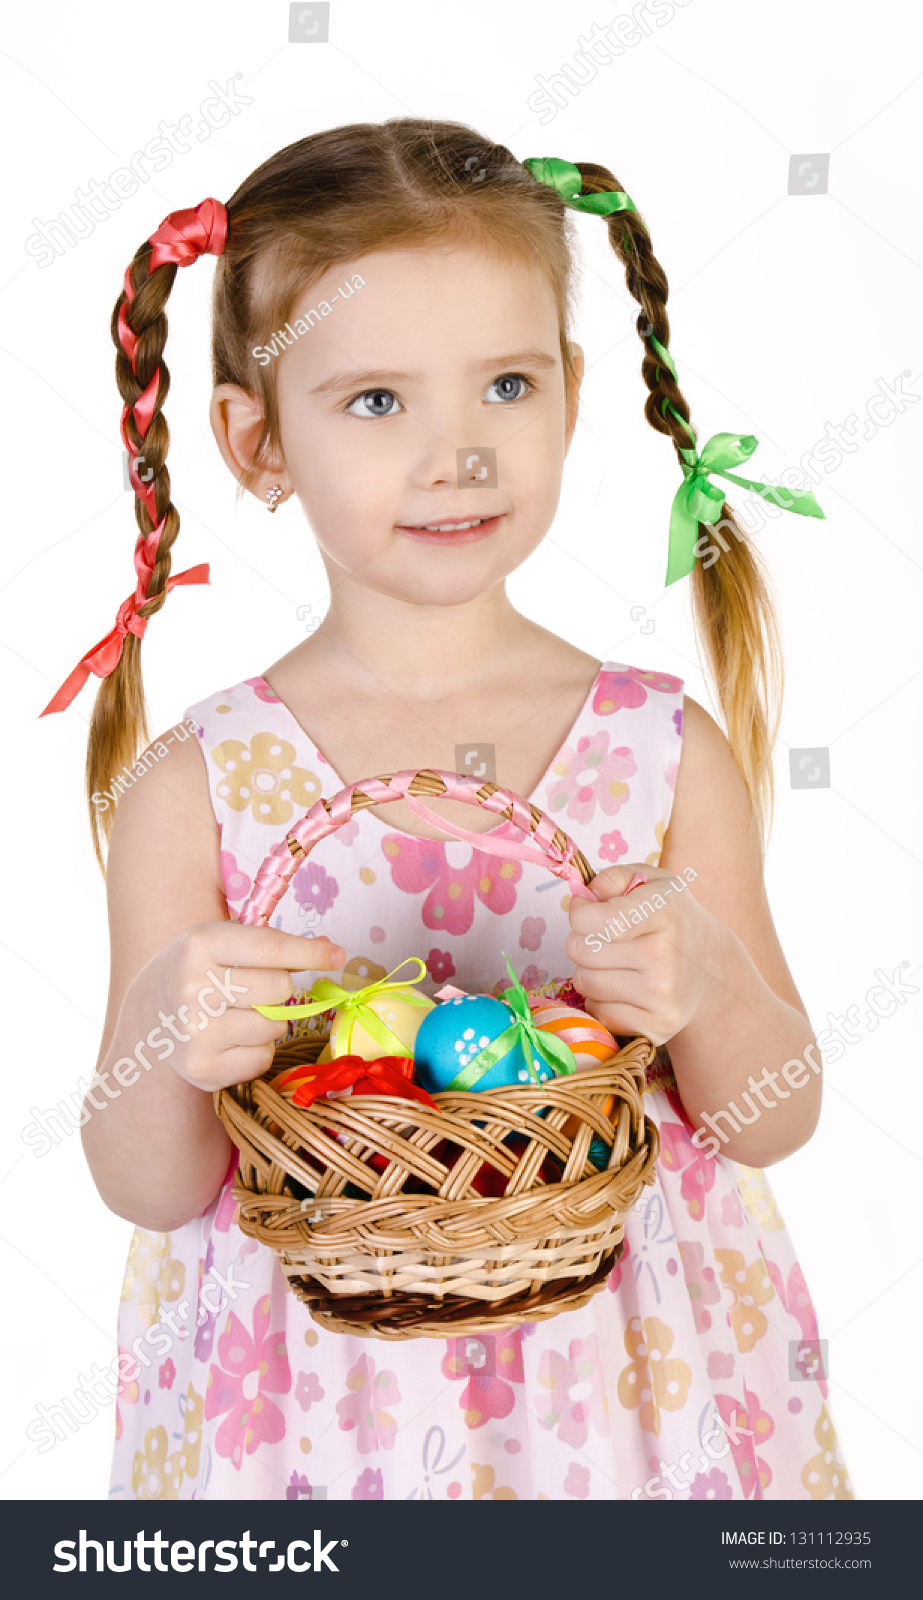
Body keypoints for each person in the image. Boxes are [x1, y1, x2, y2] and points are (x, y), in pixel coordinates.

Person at [45, 119, 852, 1501]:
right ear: (257, 441)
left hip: (622, 1389)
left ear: (575, 393)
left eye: (506, 386)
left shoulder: (658, 750)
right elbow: (148, 1185)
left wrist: (706, 980)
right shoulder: (201, 780)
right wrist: (163, 1034)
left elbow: (773, 1116)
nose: (457, 453)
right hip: (305, 1409)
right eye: (376, 403)